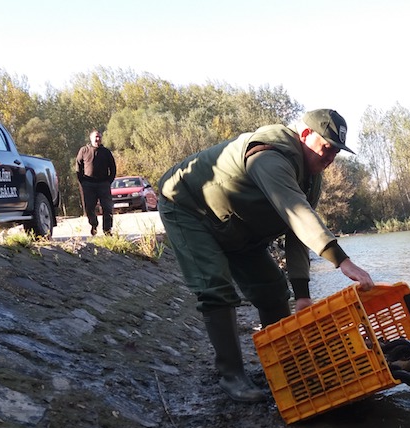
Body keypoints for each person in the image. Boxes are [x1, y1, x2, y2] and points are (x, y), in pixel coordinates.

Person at [157, 108, 375, 404]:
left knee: (273, 291)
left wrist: (302, 294)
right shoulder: (268, 155)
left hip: (236, 225)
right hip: (189, 208)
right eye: (326, 148)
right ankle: (231, 376)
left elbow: (297, 231)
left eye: (336, 152)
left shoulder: (312, 176)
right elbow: (295, 212)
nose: (329, 158)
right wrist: (342, 260)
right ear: (306, 135)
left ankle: (286, 368)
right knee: (216, 288)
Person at [76, 129, 117, 235]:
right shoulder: (84, 150)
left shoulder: (106, 152)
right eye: (96, 137)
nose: (98, 139)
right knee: (89, 207)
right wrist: (82, 181)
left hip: (103, 184)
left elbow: (112, 167)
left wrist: (108, 181)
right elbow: (78, 165)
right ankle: (93, 224)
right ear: (91, 138)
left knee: (107, 208)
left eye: (99, 137)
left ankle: (107, 230)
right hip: (88, 184)